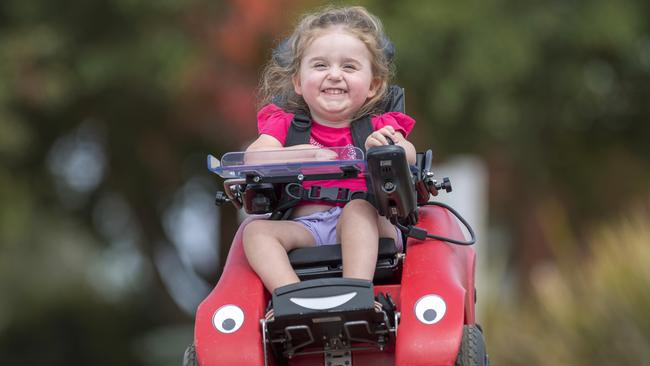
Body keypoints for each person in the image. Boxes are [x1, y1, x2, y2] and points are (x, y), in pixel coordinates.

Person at [242, 6, 416, 298]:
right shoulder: (284, 126)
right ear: (298, 81)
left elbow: (409, 153)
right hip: (308, 227)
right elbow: (253, 158)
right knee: (254, 233)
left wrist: (385, 146)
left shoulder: (378, 125)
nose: (334, 75)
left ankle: (356, 294)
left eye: (348, 67)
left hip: (371, 222)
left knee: (357, 209)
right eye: (320, 66)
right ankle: (292, 298)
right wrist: (303, 153)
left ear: (373, 85)